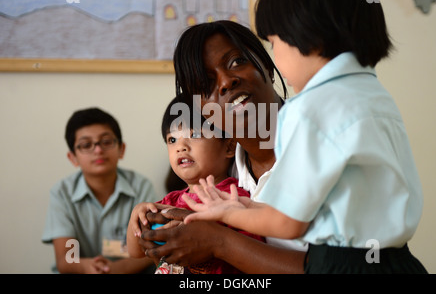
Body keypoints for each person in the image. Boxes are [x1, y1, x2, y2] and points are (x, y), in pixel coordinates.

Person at [182, 0, 428, 274]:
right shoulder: (374, 94)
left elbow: (290, 223)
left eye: (274, 43)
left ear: (309, 36)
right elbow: (325, 211)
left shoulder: (308, 110)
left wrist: (228, 216)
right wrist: (245, 207)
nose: (276, 58)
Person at [138, 20, 309, 274]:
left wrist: (219, 243)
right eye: (207, 83)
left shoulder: (320, 139)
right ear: (204, 111)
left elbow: (350, 268)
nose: (226, 82)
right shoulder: (217, 171)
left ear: (267, 66)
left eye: (236, 62)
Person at [127, 95, 265, 274]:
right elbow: (135, 252)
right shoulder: (169, 202)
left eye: (195, 134)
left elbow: (251, 257)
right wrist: (136, 218)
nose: (181, 147)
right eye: (172, 140)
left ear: (229, 147)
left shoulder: (233, 198)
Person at [42, 107, 157, 273]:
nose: (98, 150)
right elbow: (66, 259)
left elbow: (150, 250)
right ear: (73, 157)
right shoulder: (61, 193)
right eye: (86, 144)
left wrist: (115, 269)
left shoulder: (141, 187)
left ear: (121, 149)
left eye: (106, 142)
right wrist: (89, 267)